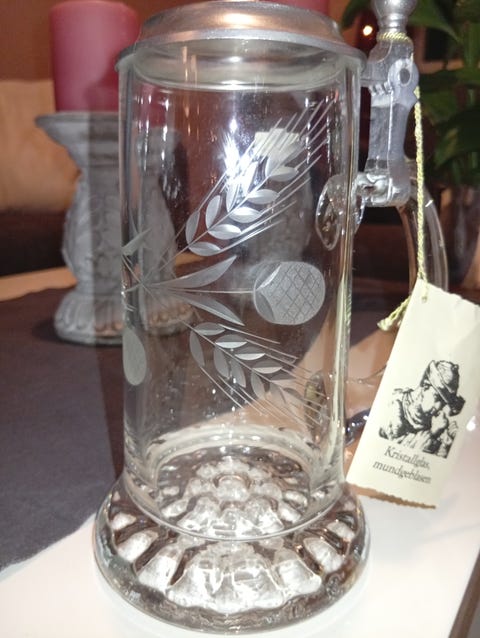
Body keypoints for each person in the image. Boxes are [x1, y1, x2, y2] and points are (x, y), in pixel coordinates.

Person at [379, 360, 465, 457]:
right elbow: (393, 454)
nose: (438, 407)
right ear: (425, 386)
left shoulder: (430, 421)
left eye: (443, 404)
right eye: (437, 398)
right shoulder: (393, 407)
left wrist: (447, 443)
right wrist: (432, 433)